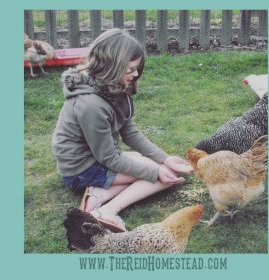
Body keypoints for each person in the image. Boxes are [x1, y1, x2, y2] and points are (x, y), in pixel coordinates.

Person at [52, 28, 193, 232]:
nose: (136, 74)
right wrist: (157, 170)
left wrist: (164, 158)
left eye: (137, 68)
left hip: (96, 158)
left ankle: (97, 194)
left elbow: (130, 132)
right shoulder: (90, 105)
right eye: (130, 69)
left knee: (157, 166)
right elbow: (109, 158)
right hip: (81, 170)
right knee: (164, 176)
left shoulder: (111, 86)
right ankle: (106, 212)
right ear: (112, 66)